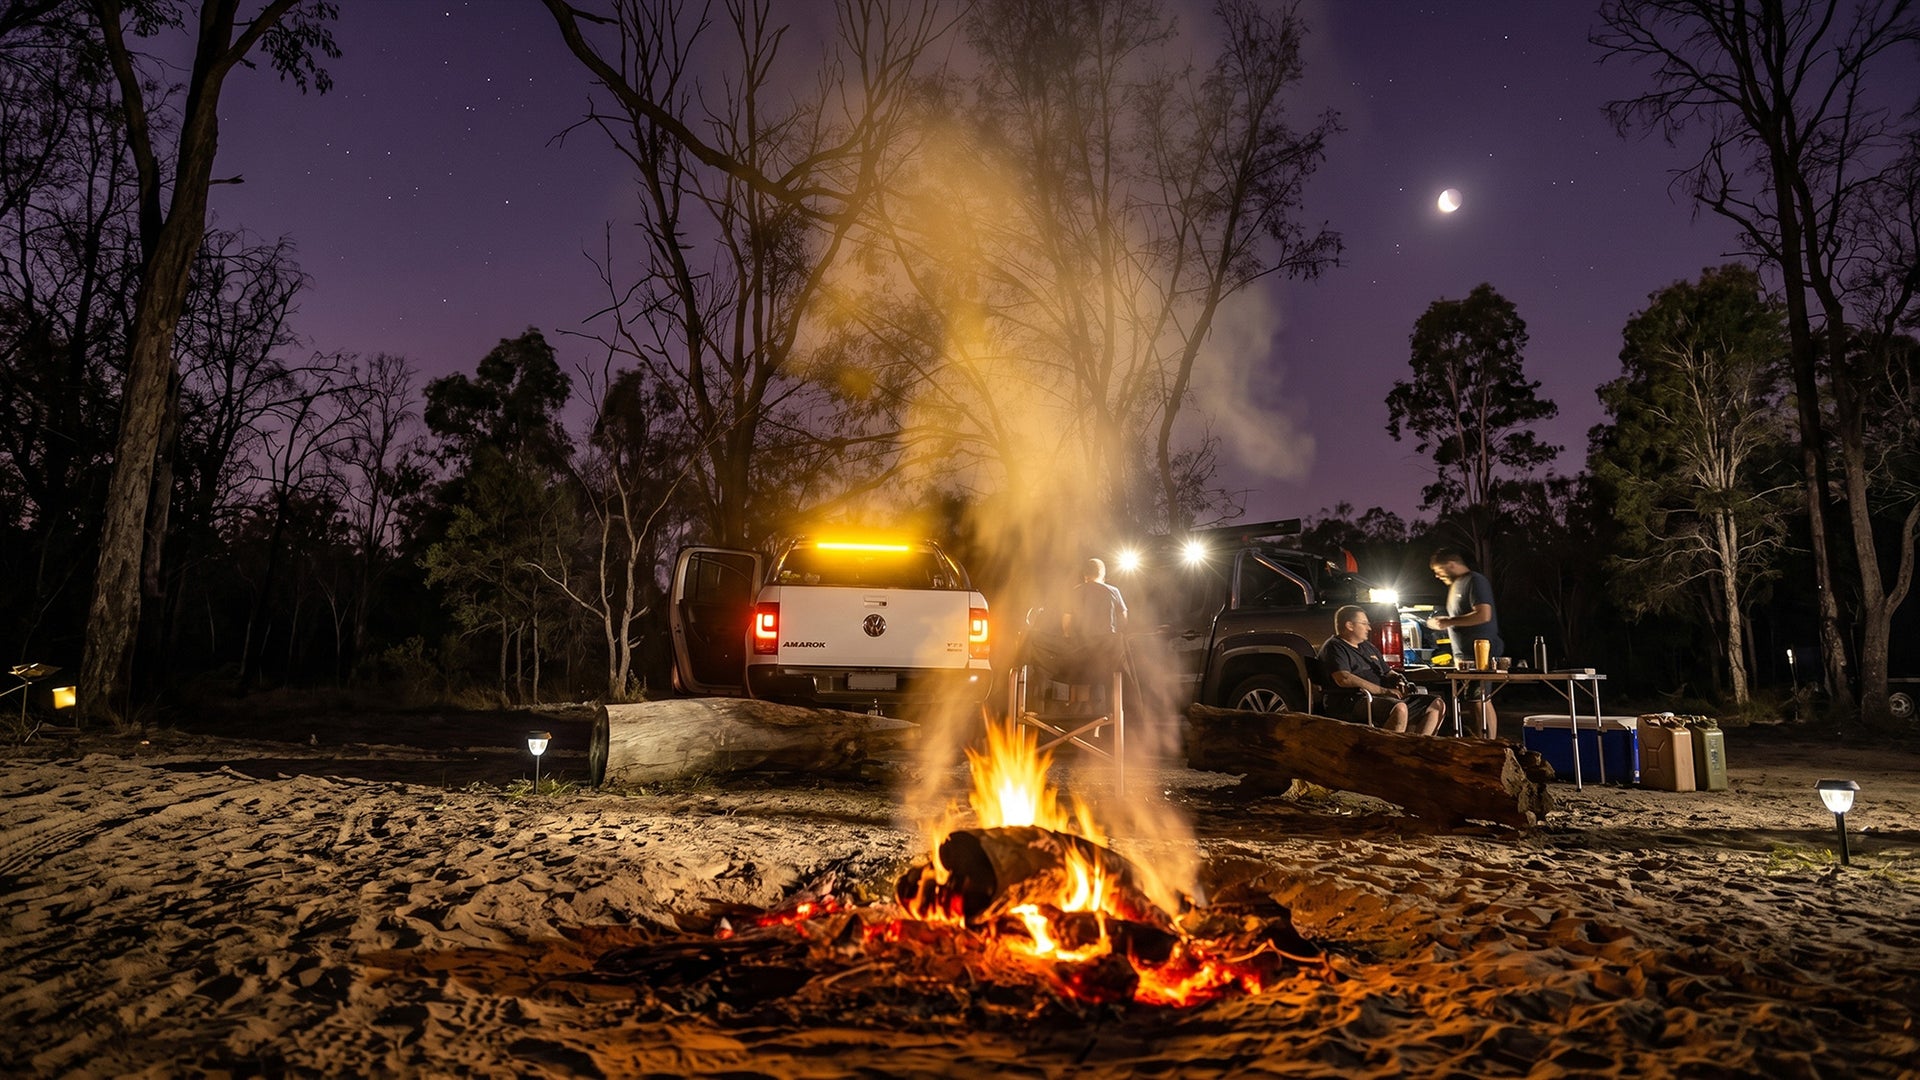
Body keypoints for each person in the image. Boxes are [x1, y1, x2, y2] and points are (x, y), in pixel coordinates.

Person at [1318, 605, 1443, 734]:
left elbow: (1388, 671)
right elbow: (1343, 678)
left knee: (1435, 705)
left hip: (1381, 698)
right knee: (1399, 708)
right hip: (1352, 700)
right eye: (1364, 623)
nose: (1369, 628)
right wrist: (1384, 691)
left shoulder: (1368, 647)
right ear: (1349, 625)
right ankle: (1388, 746)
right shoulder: (1335, 647)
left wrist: (1398, 678)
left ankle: (1417, 744)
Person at [1427, 547, 1504, 738]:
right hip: (1463, 657)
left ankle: (1489, 744)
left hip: (1481, 653)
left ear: (1451, 564)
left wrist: (1448, 622)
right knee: (1473, 701)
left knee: (1479, 699)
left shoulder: (1475, 581)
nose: (1437, 576)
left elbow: (1484, 614)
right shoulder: (1456, 585)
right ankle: (1481, 741)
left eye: (1439, 570)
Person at [1062, 558, 1127, 714]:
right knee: (1106, 679)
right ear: (1103, 573)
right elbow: (1124, 616)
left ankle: (1080, 717)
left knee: (1082, 677)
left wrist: (1068, 636)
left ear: (1085, 574)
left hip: (1082, 646)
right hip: (1107, 647)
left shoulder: (1075, 591)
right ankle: (1107, 718)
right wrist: (1120, 634)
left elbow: (1066, 620)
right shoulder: (1113, 591)